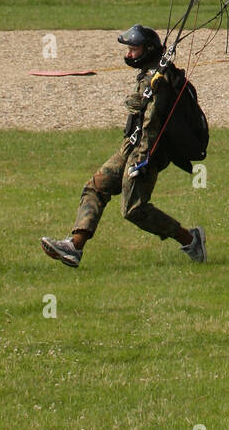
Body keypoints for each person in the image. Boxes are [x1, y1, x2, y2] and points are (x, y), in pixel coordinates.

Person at [40, 24, 205, 268]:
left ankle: (191, 239)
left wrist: (142, 160)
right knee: (96, 187)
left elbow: (151, 124)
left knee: (134, 209)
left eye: (133, 50)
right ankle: (74, 246)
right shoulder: (152, 73)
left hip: (148, 152)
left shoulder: (159, 81)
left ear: (148, 50)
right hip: (132, 146)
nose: (128, 55)